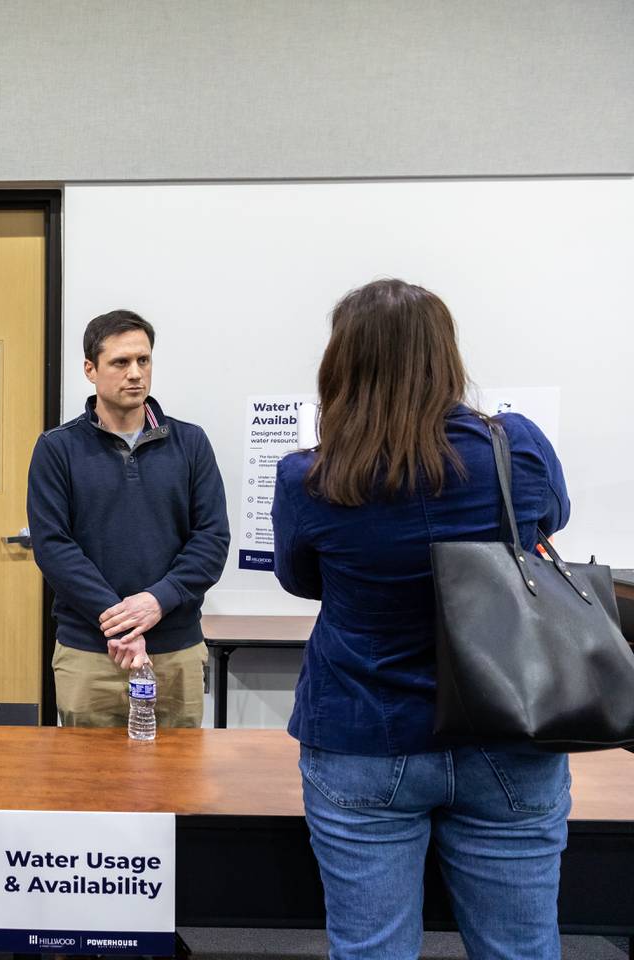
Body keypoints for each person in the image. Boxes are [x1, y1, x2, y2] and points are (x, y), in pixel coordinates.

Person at [272, 279, 571, 959]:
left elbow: (300, 579)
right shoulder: (515, 448)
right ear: (444, 356)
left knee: (372, 950)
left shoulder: (310, 477)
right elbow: (549, 523)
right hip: (510, 727)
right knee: (522, 949)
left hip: (362, 733)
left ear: (342, 363)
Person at [28, 309, 229, 729]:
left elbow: (211, 539)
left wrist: (158, 600)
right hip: (90, 654)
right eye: (120, 362)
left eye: (144, 360)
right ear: (90, 369)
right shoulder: (57, 449)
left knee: (178, 787)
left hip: (176, 651)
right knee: (89, 786)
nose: (135, 373)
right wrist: (119, 621)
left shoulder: (190, 443)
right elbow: (54, 548)